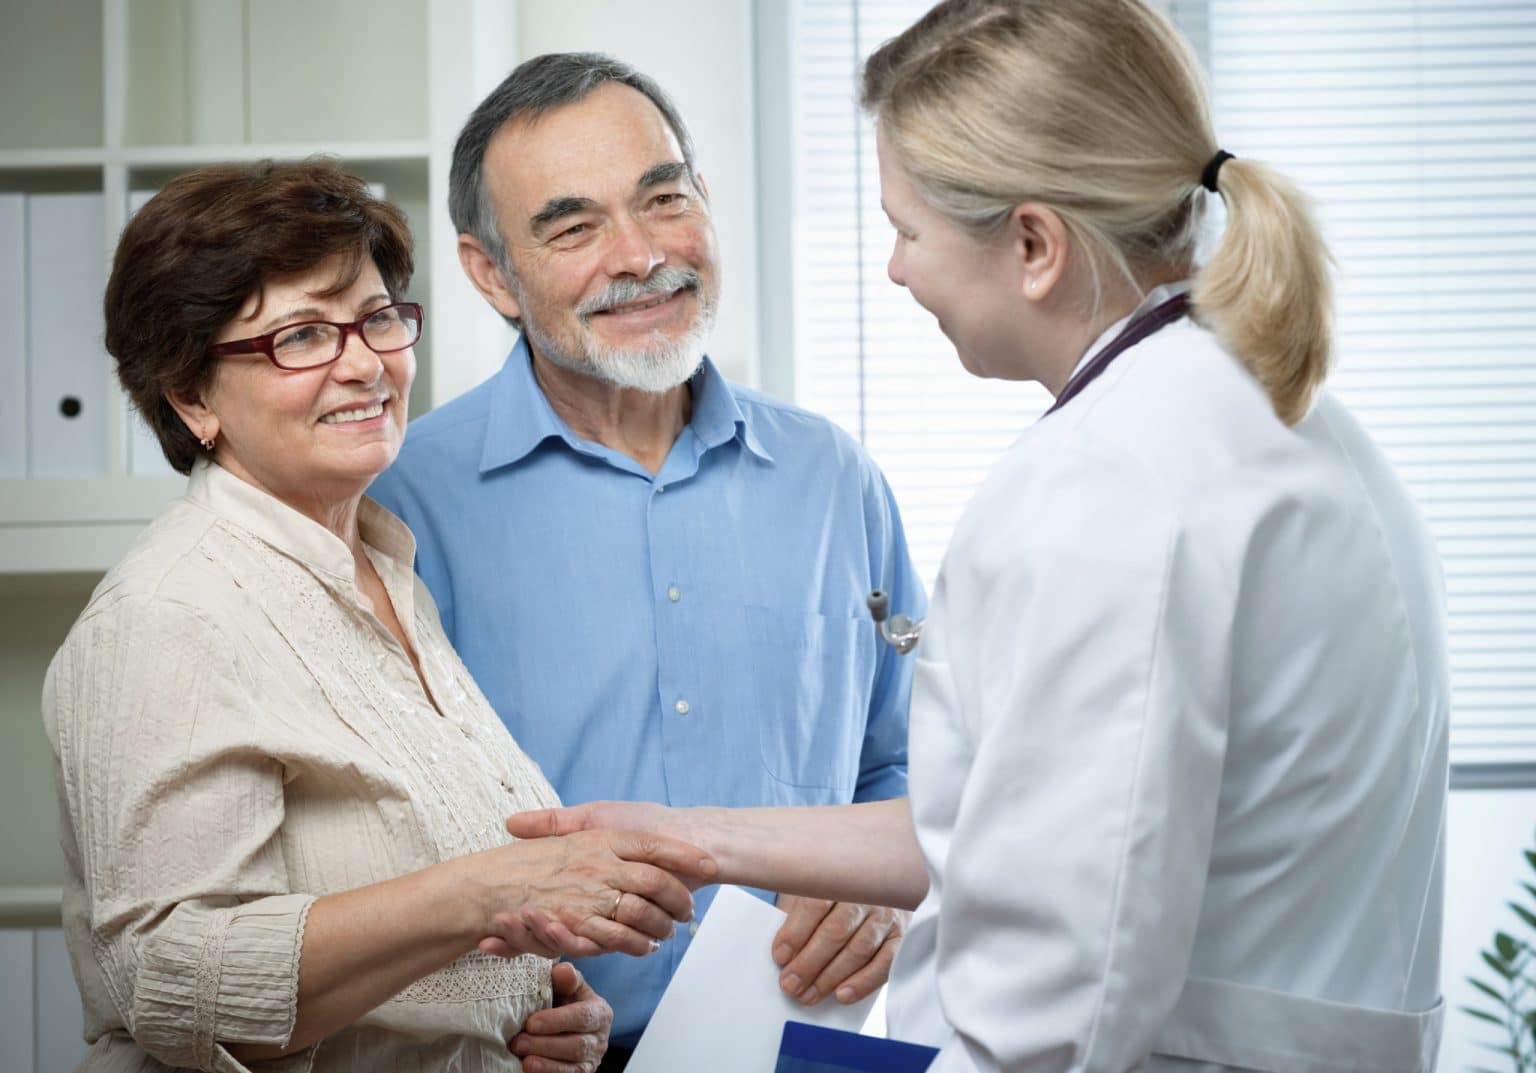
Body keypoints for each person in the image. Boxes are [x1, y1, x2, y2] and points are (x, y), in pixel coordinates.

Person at [503, 2, 1452, 1071]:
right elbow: (1005, 819)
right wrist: (700, 838)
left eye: (907, 229)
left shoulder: (1106, 485)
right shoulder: (1283, 418)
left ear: (1034, 244)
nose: (899, 271)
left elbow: (1052, 1001)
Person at [42, 159, 717, 1073]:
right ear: (190, 395)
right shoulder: (166, 617)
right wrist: (482, 892)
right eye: (301, 337)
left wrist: (534, 1009)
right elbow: (173, 984)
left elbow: (398, 932)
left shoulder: (389, 571)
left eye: (375, 319)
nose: (365, 362)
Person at [367, 53, 926, 1067]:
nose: (640, 255)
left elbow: (909, 763)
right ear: (490, 272)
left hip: (806, 1041)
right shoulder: (399, 505)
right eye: (573, 225)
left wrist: (877, 890)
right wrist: (470, 992)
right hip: (530, 1053)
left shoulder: (835, 478)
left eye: (663, 198)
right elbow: (373, 840)